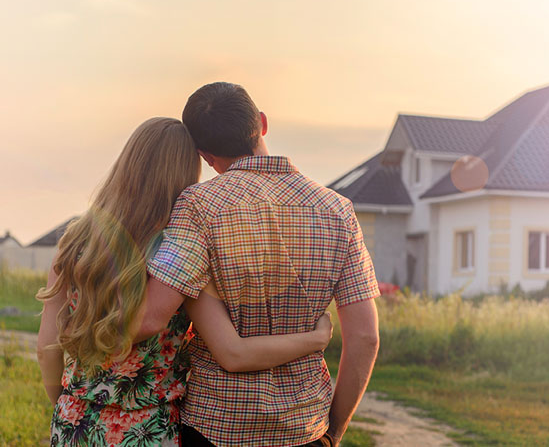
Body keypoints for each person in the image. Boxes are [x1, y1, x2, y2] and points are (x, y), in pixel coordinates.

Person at [37, 117, 334, 447]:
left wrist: (70, 408)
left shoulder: (75, 244)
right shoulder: (178, 255)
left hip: (73, 421)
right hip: (148, 429)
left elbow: (45, 349)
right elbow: (233, 351)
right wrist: (316, 338)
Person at [138, 82, 381, 447]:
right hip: (305, 428)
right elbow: (365, 337)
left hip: (215, 427)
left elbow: (153, 315)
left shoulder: (198, 205)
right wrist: (334, 431)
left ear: (204, 155)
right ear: (262, 123)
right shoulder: (337, 211)